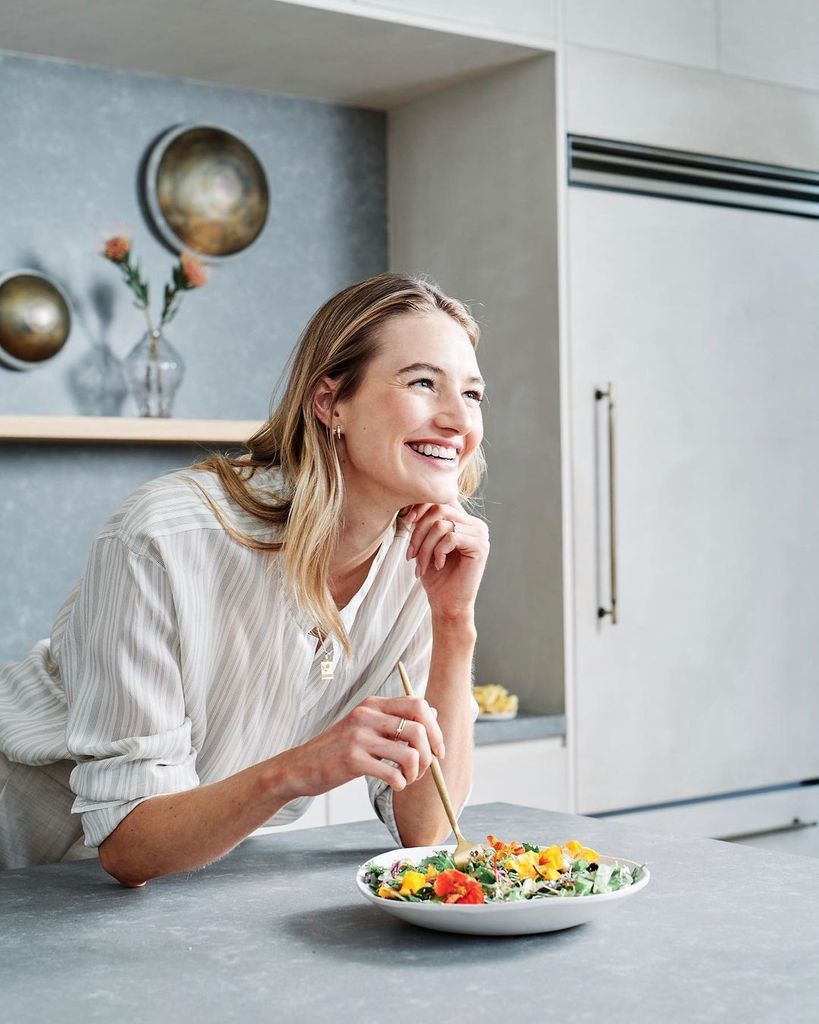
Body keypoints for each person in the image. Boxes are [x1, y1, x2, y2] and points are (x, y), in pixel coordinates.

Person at [0, 272, 490, 885]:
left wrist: (454, 622)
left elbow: (423, 829)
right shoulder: (164, 537)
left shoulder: (418, 559)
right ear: (329, 402)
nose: (457, 419)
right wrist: (301, 768)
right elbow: (127, 844)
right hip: (23, 859)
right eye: (423, 383)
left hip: (164, 883)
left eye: (472, 395)